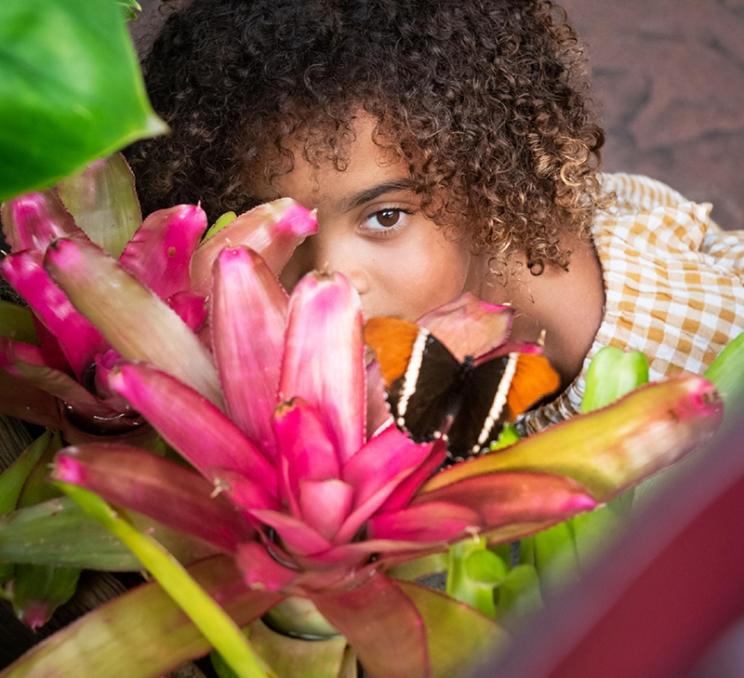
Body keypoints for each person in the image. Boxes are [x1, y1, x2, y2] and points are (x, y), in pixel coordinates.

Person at [127, 0, 744, 434]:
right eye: (281, 230)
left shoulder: (680, 369)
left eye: (385, 217)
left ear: (487, 183)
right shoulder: (380, 350)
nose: (331, 281)